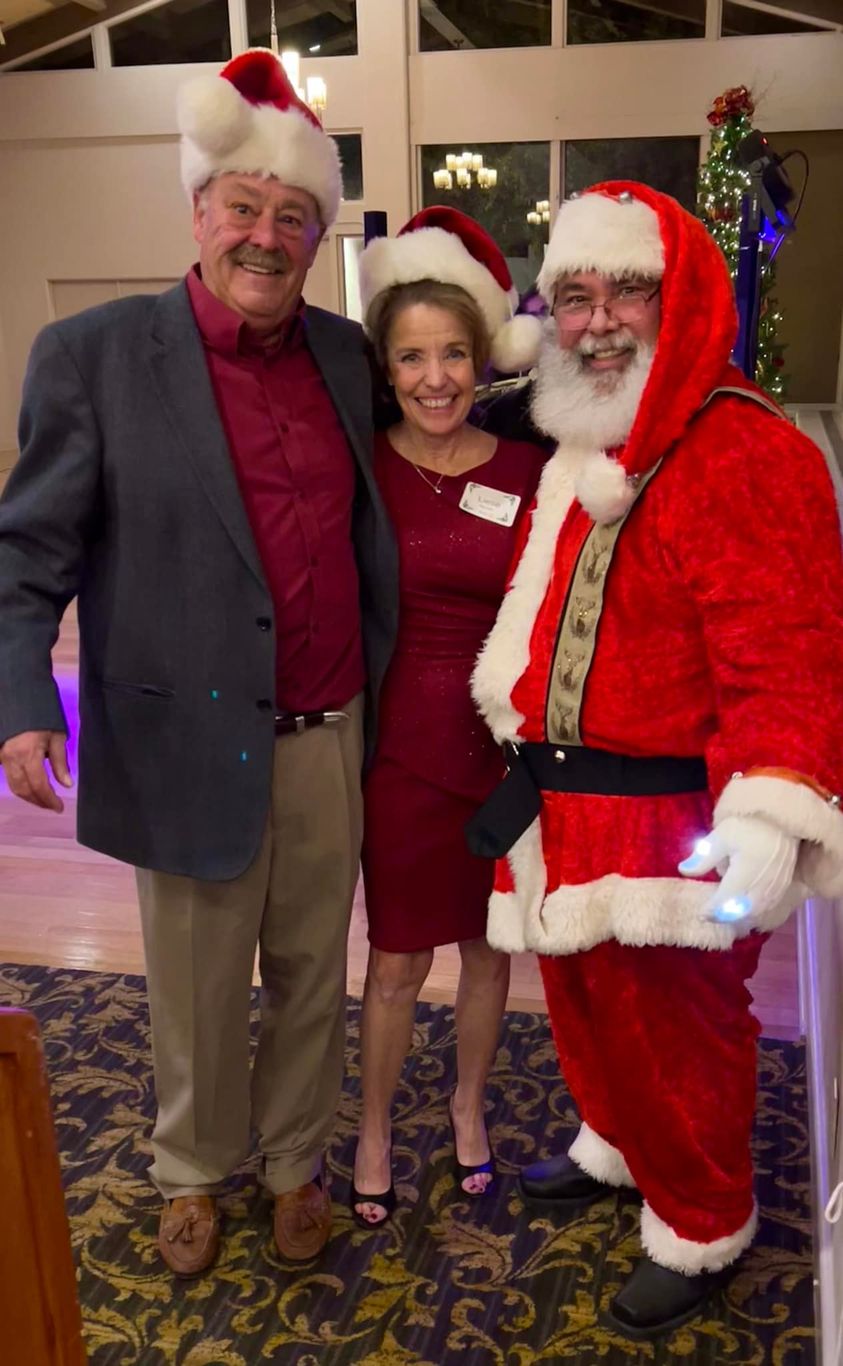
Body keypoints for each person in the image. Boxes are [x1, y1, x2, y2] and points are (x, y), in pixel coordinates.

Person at [0, 48, 397, 1278]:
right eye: (243, 207)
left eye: (293, 216)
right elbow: (28, 550)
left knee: (313, 974)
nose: (265, 237)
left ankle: (294, 1162)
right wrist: (22, 699)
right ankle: (189, 1171)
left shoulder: (347, 356)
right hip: (182, 737)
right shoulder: (95, 356)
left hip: (328, 730)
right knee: (196, 983)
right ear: (198, 211)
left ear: (318, 234)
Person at [470, 182, 843, 1337]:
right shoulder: (584, 442)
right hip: (563, 803)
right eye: (574, 295)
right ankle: (620, 1147)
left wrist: (771, 810)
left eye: (625, 290)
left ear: (681, 302)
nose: (596, 321)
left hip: (666, 820)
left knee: (678, 1032)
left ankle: (703, 1216)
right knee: (587, 1009)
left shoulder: (746, 449)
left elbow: (788, 651)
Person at [349, 207, 545, 1225]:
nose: (436, 378)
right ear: (387, 369)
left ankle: (468, 1105)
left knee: (487, 949)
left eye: (454, 354)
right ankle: (375, 1125)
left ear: (482, 358)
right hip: (398, 753)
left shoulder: (527, 471)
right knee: (395, 959)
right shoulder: (360, 470)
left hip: (500, 753)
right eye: (413, 357)